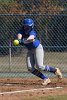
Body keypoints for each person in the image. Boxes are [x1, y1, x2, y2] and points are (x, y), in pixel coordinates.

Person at [15, 18, 62, 85]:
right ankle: (46, 79)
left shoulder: (32, 32)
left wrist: (23, 40)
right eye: (25, 26)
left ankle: (55, 70)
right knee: (30, 68)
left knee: (40, 66)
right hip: (30, 50)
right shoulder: (22, 30)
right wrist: (19, 39)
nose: (26, 27)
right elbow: (19, 34)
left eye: (28, 26)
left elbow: (31, 37)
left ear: (31, 26)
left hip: (37, 48)